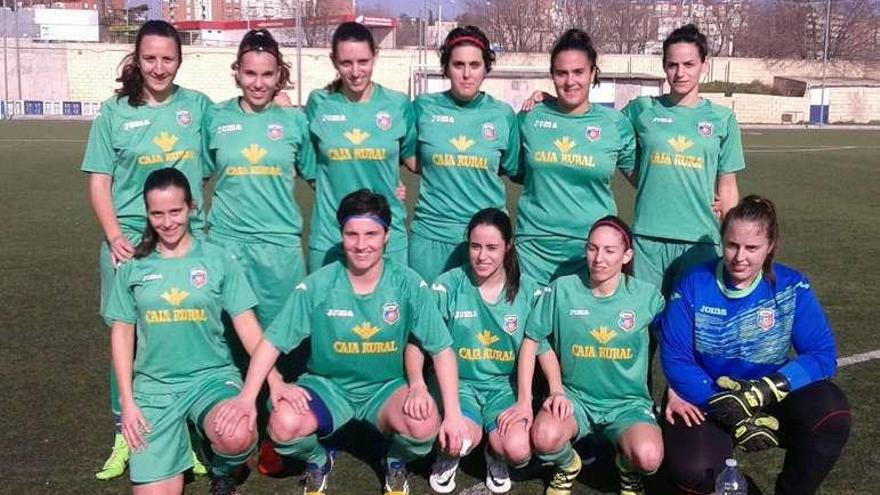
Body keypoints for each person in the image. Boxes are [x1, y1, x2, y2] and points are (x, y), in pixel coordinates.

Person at [212, 189, 471, 495]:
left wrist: (452, 413)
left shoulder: (408, 283)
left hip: (385, 388)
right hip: (328, 386)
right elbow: (271, 343)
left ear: (387, 235)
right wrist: (247, 397)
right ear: (342, 235)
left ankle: (395, 461)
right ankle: (317, 460)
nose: (362, 245)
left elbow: (441, 349)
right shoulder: (318, 285)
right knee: (282, 425)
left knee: (424, 425)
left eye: (371, 234)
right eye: (352, 234)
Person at [81, 20, 211, 480]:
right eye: (150, 58)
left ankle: (184, 435)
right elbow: (99, 179)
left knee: (185, 335)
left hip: (187, 240)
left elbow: (231, 145)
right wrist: (115, 234)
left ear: (180, 60)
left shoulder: (197, 107)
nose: (159, 67)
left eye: (168, 58)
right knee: (129, 339)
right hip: (132, 241)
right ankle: (125, 433)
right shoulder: (114, 112)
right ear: (137, 60)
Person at [104, 168, 281, 494]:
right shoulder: (133, 265)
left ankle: (223, 468)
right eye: (157, 213)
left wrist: (276, 381)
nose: (167, 222)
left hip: (211, 380)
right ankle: (178, 440)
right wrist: (128, 403)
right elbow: (122, 333)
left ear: (191, 208)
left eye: (175, 211)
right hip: (155, 390)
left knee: (237, 433)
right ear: (147, 213)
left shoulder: (217, 259)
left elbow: (247, 326)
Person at [660, 195, 851, 495]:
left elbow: (822, 355)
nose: (740, 257)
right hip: (708, 398)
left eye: (752, 248)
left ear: (770, 246)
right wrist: (730, 410)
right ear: (721, 240)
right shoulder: (693, 283)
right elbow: (676, 359)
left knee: (831, 413)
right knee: (694, 473)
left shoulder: (790, 286)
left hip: (769, 395)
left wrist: (767, 388)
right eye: (732, 245)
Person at [203, 28, 317, 475]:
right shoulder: (214, 118)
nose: (258, 82)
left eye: (267, 74)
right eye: (249, 73)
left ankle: (280, 435)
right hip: (226, 247)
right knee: (230, 343)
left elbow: (316, 177)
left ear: (279, 76)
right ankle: (231, 437)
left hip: (281, 250)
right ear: (236, 72)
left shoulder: (294, 122)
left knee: (285, 343)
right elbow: (194, 180)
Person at [521, 216, 665, 495]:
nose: (598, 258)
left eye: (609, 251)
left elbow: (676, 343)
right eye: (592, 248)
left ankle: (627, 465)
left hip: (627, 404)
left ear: (627, 256)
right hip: (575, 399)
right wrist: (554, 390)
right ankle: (568, 464)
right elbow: (533, 339)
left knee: (648, 458)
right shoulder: (562, 289)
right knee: (544, 438)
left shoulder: (647, 297)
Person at [407, 208, 539, 494]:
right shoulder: (448, 285)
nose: (482, 256)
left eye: (492, 247)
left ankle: (496, 453)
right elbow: (418, 342)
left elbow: (542, 348)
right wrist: (417, 384)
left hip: (503, 387)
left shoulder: (527, 290)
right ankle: (448, 455)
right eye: (475, 246)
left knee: (518, 450)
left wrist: (536, 397)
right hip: (458, 386)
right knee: (458, 442)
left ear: (508, 247)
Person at [620, 23, 744, 297]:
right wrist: (552, 100)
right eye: (672, 65)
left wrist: (734, 236)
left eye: (689, 64)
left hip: (699, 241)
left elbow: (728, 184)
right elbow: (601, 128)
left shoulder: (723, 119)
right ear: (664, 67)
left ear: (704, 65)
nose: (680, 72)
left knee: (691, 326)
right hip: (647, 238)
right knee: (647, 325)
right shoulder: (642, 109)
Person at [515, 29, 636, 286]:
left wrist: (706, 194)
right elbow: (511, 168)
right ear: (552, 75)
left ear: (592, 73)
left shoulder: (614, 124)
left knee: (582, 326)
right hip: (534, 250)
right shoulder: (530, 117)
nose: (570, 81)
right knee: (531, 325)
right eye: (562, 73)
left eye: (579, 72)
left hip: (593, 252)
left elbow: (642, 178)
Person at [409, 26, 520, 282]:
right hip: (431, 236)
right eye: (458, 64)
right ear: (446, 67)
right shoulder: (423, 108)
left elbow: (512, 167)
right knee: (427, 316)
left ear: (486, 68)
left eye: (475, 64)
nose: (467, 74)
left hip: (485, 240)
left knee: (482, 319)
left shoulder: (502, 115)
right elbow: (406, 156)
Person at [305, 22, 416, 271]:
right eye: (346, 63)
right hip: (331, 235)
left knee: (388, 310)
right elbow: (308, 164)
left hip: (387, 235)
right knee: (327, 309)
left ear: (376, 56)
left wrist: (391, 185)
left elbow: (412, 159)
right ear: (334, 61)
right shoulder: (318, 103)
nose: (355, 72)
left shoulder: (397, 104)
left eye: (363, 61)